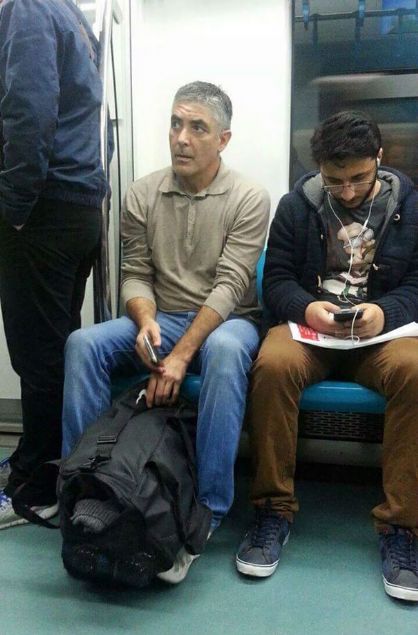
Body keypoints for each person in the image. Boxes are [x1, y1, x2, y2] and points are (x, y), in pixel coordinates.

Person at [61, 81, 270, 583]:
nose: (181, 137)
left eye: (197, 127)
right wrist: (146, 319)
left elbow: (230, 285)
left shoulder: (249, 197)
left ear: (223, 139)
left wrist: (178, 357)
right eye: (176, 123)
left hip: (229, 320)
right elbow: (135, 273)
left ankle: (208, 510)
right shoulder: (143, 193)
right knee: (83, 343)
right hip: (165, 315)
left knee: (224, 352)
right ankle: (85, 485)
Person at [236, 111, 418, 603]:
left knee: (416, 371)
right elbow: (277, 279)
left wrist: (384, 312)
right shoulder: (296, 206)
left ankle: (402, 527)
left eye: (359, 177)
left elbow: (417, 284)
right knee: (272, 366)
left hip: (381, 336)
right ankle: (272, 508)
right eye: (335, 181)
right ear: (318, 169)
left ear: (379, 159)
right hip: (311, 333)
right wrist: (306, 308)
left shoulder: (411, 207)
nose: (348, 191)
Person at [0, 0, 108, 528]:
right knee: (56, 349)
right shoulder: (70, 14)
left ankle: (36, 488)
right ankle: (45, 462)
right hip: (78, 207)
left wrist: (14, 207)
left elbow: (29, 111)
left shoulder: (28, 8)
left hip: (43, 209)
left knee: (37, 355)